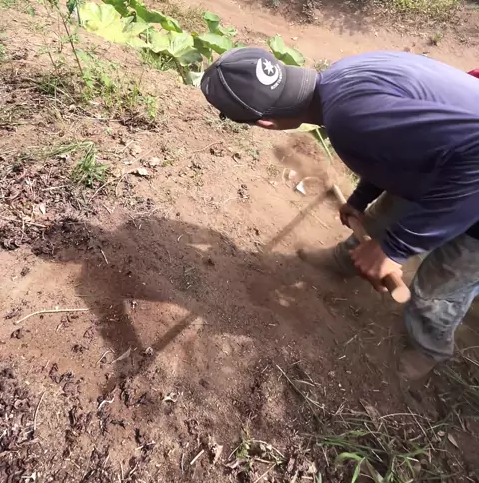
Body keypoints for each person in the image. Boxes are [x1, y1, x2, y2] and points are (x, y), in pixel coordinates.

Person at [201, 48, 479, 381]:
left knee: (440, 286)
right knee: (380, 220)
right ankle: (344, 261)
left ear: (265, 123)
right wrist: (360, 199)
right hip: (447, 167)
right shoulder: (343, 75)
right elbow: (398, 150)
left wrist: (395, 248)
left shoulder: (348, 121)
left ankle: (430, 347)